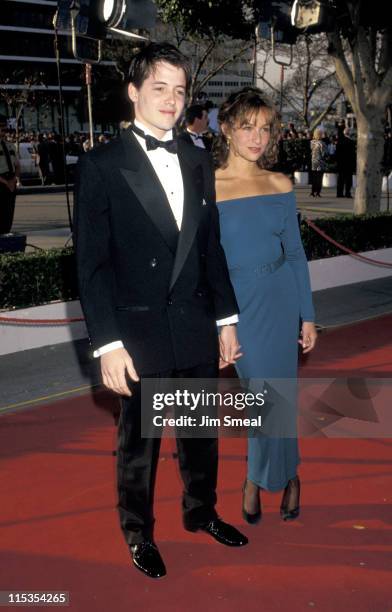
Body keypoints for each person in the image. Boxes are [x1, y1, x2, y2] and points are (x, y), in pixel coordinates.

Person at [74, 42, 248, 580]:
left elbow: (209, 246)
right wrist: (106, 343)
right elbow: (92, 265)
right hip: (138, 329)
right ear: (133, 92)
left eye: (179, 90)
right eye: (159, 89)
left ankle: (202, 512)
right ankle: (138, 532)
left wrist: (226, 319)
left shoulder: (198, 158)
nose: (172, 100)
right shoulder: (101, 164)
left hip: (195, 322)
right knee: (139, 446)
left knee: (200, 433)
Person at [214, 87, 317, 526]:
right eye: (247, 127)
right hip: (238, 304)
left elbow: (295, 254)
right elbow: (207, 261)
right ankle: (273, 477)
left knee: (279, 398)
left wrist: (308, 314)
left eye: (265, 128)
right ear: (226, 129)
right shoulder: (208, 186)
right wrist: (222, 321)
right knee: (262, 398)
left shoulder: (279, 184)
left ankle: (271, 479)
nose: (257, 138)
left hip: (279, 298)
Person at [0, 116, 20, 235]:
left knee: (8, 213)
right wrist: (6, 182)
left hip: (11, 183)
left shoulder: (10, 145)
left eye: (4, 128)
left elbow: (17, 165)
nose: (3, 131)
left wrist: (15, 179)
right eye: (1, 128)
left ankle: (6, 235)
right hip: (1, 183)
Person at [336, 128, 356, 198]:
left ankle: (339, 193)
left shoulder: (339, 141)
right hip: (349, 163)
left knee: (340, 179)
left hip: (341, 163)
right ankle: (347, 193)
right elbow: (353, 155)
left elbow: (337, 153)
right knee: (348, 179)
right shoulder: (352, 142)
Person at [310, 128, 328, 197]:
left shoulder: (312, 142)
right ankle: (318, 192)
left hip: (313, 161)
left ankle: (312, 191)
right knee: (319, 178)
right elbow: (324, 153)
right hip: (320, 162)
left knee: (314, 177)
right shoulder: (322, 143)